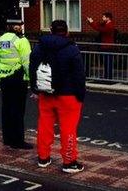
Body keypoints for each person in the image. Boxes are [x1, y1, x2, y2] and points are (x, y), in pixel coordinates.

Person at [30, 20, 86, 173]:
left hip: (45, 92)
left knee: (44, 125)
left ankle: (43, 157)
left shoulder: (39, 47)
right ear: (66, 31)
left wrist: (35, 89)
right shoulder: (72, 49)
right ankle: (69, 162)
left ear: (51, 30)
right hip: (68, 95)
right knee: (68, 128)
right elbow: (79, 75)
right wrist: (80, 95)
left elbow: (32, 67)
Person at [0, 19, 32, 149]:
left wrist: (0, 75)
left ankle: (7, 138)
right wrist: (30, 79)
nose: (20, 27)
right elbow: (27, 62)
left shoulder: (1, 40)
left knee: (6, 108)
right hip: (18, 78)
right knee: (18, 110)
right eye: (19, 25)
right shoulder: (22, 40)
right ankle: (18, 141)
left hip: (4, 78)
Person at [86, 12, 116, 80]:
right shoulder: (106, 24)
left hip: (108, 46)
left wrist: (91, 22)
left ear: (108, 18)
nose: (102, 18)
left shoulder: (109, 25)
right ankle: (106, 76)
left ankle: (108, 77)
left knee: (108, 62)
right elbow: (98, 25)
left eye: (104, 17)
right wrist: (91, 21)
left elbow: (99, 29)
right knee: (106, 62)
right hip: (105, 46)